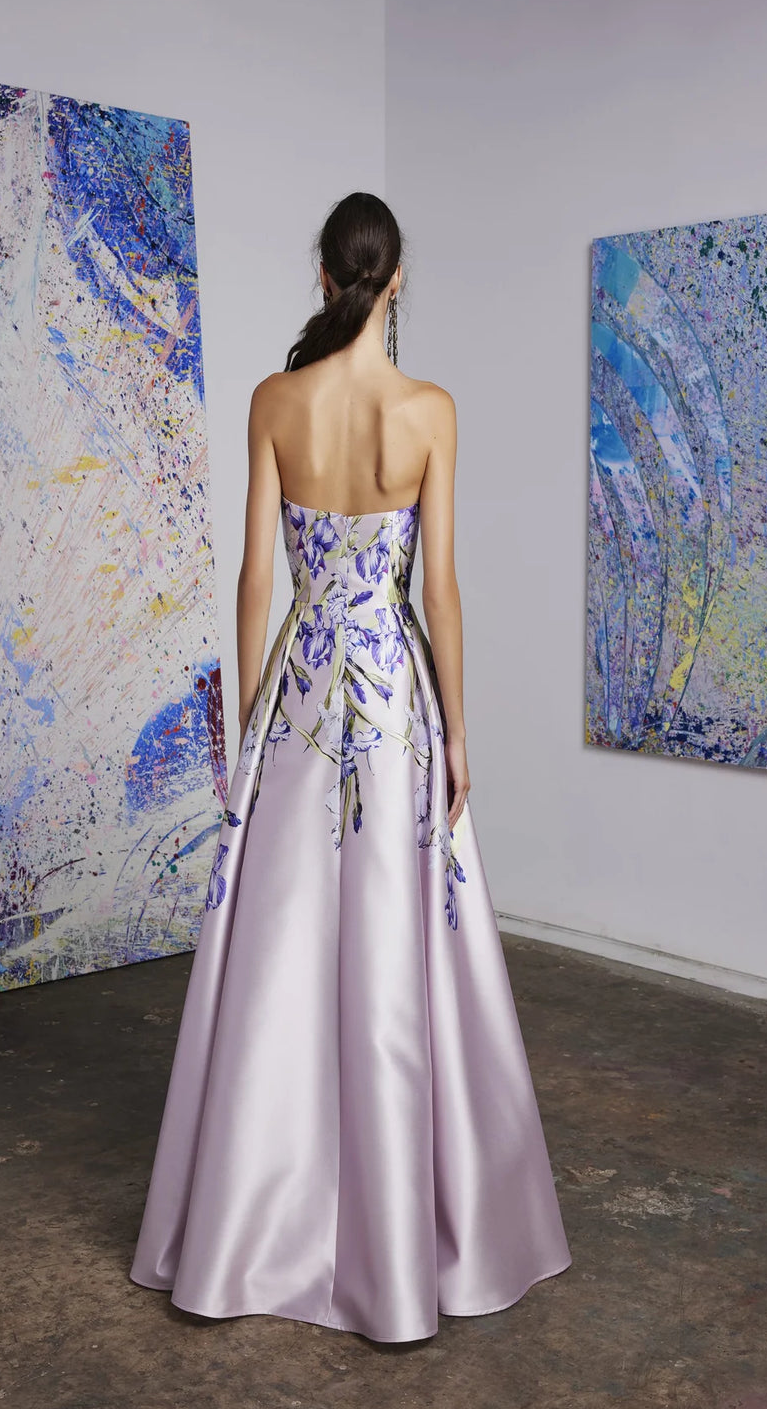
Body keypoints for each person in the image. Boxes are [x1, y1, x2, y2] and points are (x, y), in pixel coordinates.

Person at [129, 192, 571, 1342]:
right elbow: (440, 590)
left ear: (323, 278)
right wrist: (459, 734)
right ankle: (393, 1246)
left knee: (277, 942)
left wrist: (248, 719)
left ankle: (248, 1228)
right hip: (393, 706)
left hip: (298, 699)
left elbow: (254, 580)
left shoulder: (275, 401)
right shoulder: (429, 411)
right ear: (397, 277)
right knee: (391, 946)